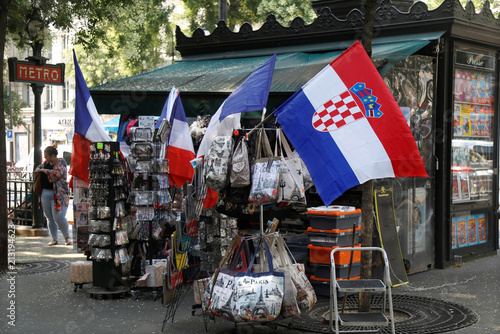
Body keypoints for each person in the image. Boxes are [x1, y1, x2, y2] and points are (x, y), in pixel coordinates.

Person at [36, 145, 71, 246]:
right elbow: (38, 168)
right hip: (45, 192)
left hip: (59, 194)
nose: (45, 158)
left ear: (52, 155)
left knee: (58, 216)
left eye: (46, 156)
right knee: (49, 217)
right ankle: (54, 238)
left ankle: (67, 237)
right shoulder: (46, 163)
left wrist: (44, 171)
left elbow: (57, 174)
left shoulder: (61, 162)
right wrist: (41, 169)